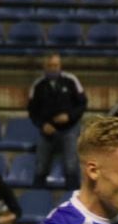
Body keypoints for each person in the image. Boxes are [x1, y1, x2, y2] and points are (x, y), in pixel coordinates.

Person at [27, 53, 88, 190]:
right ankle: (37, 200)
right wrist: (42, 125)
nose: (53, 68)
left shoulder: (71, 80)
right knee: (41, 166)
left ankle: (72, 199)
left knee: (71, 166)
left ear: (60, 66)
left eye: (55, 65)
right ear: (44, 66)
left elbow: (82, 103)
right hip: (46, 131)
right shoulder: (38, 85)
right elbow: (32, 111)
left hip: (69, 129)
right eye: (50, 66)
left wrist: (69, 116)